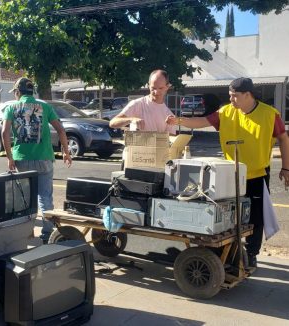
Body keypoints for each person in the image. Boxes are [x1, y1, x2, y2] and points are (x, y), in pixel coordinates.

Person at [166, 77, 289, 268]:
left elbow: (283, 138)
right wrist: (179, 120)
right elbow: (203, 121)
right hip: (230, 175)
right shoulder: (226, 112)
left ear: (248, 95)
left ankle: (252, 253)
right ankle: (230, 252)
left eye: (234, 96)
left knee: (256, 218)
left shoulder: (269, 114)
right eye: (230, 95)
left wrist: (285, 167)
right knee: (228, 216)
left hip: (257, 174)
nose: (230, 99)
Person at [2, 77, 72, 243]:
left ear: (18, 92)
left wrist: (9, 157)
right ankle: (48, 234)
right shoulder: (45, 106)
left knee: (24, 198)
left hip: (21, 159)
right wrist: (66, 152)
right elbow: (61, 130)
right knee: (45, 196)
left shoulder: (11, 107)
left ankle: (26, 233)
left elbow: (5, 133)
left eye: (15, 93)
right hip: (44, 158)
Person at [109, 69, 176, 135]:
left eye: (160, 88)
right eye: (153, 88)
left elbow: (170, 141)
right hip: (136, 146)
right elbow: (112, 122)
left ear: (167, 87)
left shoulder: (169, 115)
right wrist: (131, 119)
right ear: (148, 85)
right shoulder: (137, 104)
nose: (156, 92)